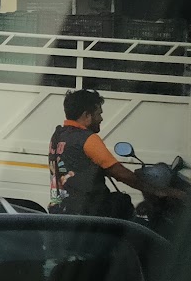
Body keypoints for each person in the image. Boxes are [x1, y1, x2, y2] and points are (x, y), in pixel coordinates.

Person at [49, 88, 179, 216]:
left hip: (61, 210)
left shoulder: (58, 136)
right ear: (87, 115)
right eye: (98, 114)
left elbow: (76, 164)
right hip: (89, 215)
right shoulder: (87, 139)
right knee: (123, 203)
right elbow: (120, 173)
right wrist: (157, 191)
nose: (101, 119)